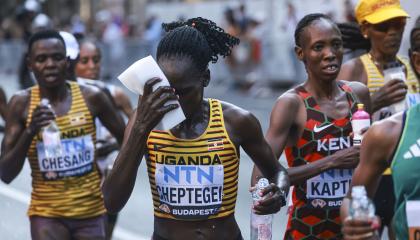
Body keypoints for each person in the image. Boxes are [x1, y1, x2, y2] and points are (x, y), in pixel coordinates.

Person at [102, 17, 289, 240]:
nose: (175, 101)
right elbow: (111, 202)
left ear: (206, 79)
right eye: (167, 90)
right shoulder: (145, 121)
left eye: (184, 92)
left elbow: (277, 172)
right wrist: (140, 130)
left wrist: (279, 192)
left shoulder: (237, 121)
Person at [251, 13, 371, 239]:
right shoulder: (292, 104)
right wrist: (332, 161)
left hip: (356, 228)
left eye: (336, 45)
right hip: (307, 230)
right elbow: (261, 177)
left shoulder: (358, 94)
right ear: (300, 53)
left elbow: (372, 160)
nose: (330, 54)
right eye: (318, 47)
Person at [0, 30, 125, 240]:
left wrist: (112, 173)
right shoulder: (21, 104)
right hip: (47, 214)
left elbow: (127, 140)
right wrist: (31, 130)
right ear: (30, 64)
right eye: (41, 59)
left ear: (67, 62)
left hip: (91, 212)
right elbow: (5, 173)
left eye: (57, 57)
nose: (49, 64)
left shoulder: (92, 97)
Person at [337, 0, 420, 237]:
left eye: (398, 25)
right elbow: (332, 124)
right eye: (384, 27)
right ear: (365, 30)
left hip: (404, 172)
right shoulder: (355, 70)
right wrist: (376, 101)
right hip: (372, 174)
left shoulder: (410, 67)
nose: (393, 33)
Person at [75, 37, 133, 240]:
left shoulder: (115, 95)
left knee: (110, 184)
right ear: (72, 62)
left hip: (108, 161)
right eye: (85, 61)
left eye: (96, 60)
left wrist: (112, 147)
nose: (92, 66)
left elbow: (135, 135)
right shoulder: (65, 97)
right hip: (78, 165)